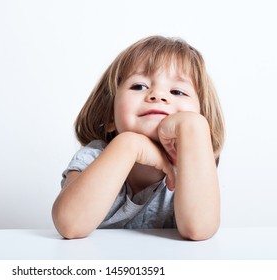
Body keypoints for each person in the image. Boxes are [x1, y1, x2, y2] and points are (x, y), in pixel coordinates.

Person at [52, 35, 225, 241]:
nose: (158, 95)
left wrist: (193, 126)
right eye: (139, 86)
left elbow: (199, 229)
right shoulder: (93, 157)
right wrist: (129, 145)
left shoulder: (192, 164)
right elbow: (70, 225)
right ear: (109, 116)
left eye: (178, 91)